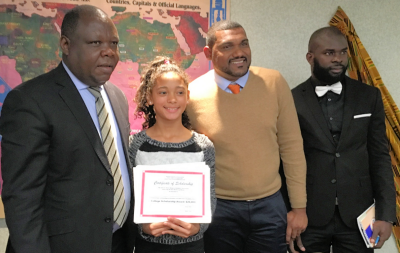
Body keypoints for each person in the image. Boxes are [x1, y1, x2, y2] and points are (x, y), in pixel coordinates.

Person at [0, 5, 135, 253]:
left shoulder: (117, 97)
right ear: (66, 44)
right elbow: (22, 199)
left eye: (114, 43)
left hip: (117, 243)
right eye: (95, 42)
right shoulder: (30, 101)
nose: (109, 52)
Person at [186, 20, 308, 253]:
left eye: (244, 44)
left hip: (270, 206)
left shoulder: (274, 83)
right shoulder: (191, 95)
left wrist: (299, 208)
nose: (239, 53)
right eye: (228, 47)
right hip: (219, 210)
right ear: (208, 53)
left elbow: (292, 148)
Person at [290, 26, 396, 253]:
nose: (338, 59)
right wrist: (287, 212)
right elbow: (283, 161)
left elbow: (379, 156)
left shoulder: (369, 96)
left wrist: (386, 215)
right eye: (329, 53)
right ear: (310, 57)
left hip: (358, 215)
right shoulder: (292, 100)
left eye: (342, 52)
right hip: (308, 215)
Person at [129, 56, 216, 253]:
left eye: (179, 92)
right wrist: (142, 226)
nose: (172, 99)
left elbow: (209, 198)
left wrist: (198, 227)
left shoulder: (203, 146)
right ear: (150, 97)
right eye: (162, 92)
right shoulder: (135, 145)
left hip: (191, 246)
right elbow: (129, 198)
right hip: (148, 246)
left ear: (187, 96)